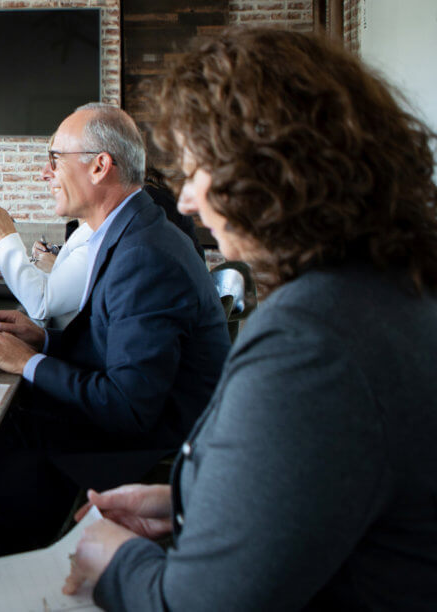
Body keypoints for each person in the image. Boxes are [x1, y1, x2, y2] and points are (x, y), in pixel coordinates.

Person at [64, 28, 437, 609]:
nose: (185, 200)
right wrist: (185, 504)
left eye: (198, 170)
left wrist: (112, 557)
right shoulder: (388, 292)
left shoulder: (311, 343)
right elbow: (323, 484)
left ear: (268, 171)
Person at [0, 103, 232, 560]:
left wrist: (28, 363)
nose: (46, 172)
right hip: (135, 422)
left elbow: (128, 406)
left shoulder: (145, 254)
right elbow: (116, 345)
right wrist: (46, 341)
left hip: (143, 449)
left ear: (100, 166)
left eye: (55, 158)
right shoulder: (130, 230)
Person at [0, 199, 94, 328]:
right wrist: (11, 269)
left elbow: (41, 304)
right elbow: (51, 287)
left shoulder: (92, 240)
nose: (46, 177)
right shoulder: (82, 232)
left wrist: (5, 234)